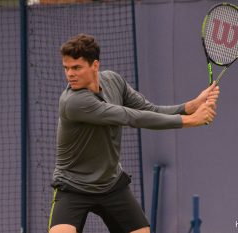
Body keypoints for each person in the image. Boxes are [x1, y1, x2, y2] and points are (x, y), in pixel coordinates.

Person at [48, 34, 220, 233]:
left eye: (76, 67)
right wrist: (191, 120)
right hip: (73, 186)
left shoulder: (113, 80)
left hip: (110, 184)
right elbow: (130, 117)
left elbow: (149, 110)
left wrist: (189, 107)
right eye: (66, 68)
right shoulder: (73, 102)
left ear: (95, 65)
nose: (70, 74)